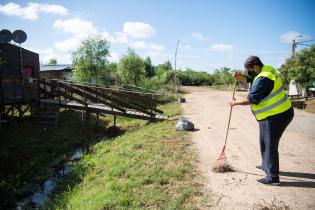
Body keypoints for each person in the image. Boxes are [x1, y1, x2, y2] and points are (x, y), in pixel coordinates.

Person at [230, 55, 294, 185]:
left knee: (269, 144)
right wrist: (239, 77)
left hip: (276, 115)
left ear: (256, 67)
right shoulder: (266, 69)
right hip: (277, 113)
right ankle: (266, 165)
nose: (248, 73)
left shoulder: (263, 79)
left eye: (249, 70)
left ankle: (273, 177)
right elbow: (249, 79)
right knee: (265, 142)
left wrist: (234, 103)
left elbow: (251, 99)